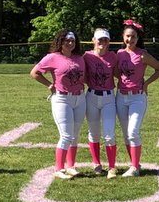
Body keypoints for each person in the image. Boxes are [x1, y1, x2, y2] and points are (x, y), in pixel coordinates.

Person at [31, 29, 88, 180]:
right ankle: (59, 168)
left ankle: (71, 166)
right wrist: (49, 85)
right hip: (62, 99)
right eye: (67, 40)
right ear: (60, 41)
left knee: (75, 135)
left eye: (73, 40)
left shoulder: (79, 58)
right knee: (66, 135)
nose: (70, 43)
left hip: (80, 98)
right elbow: (34, 72)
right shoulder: (52, 57)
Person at [114, 20, 159, 177]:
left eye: (133, 36)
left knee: (133, 132)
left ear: (138, 38)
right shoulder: (119, 54)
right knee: (126, 134)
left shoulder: (143, 54)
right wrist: (122, 79)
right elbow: (115, 71)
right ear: (123, 37)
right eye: (127, 36)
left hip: (137, 98)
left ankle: (135, 168)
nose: (130, 39)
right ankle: (134, 164)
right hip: (121, 97)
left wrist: (146, 84)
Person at [83, 28, 120, 178]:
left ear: (109, 42)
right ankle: (96, 164)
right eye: (100, 39)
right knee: (94, 133)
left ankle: (112, 167)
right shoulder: (87, 56)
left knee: (109, 134)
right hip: (91, 96)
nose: (102, 42)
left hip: (108, 97)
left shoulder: (113, 56)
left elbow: (120, 72)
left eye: (105, 39)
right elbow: (81, 73)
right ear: (93, 40)